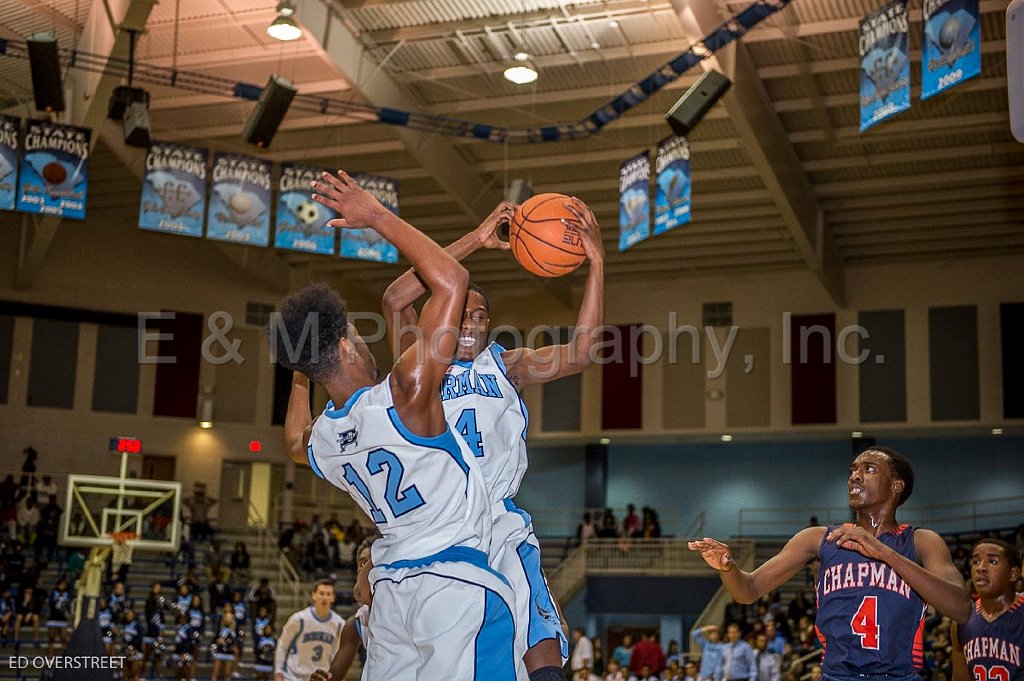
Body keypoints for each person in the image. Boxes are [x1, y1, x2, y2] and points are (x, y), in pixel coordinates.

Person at [280, 169, 522, 680]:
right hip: (454, 585)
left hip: (390, 596)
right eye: (358, 337)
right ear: (346, 348)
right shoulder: (404, 393)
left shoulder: (324, 440)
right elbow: (451, 281)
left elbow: (292, 442)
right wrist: (375, 217)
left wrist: (301, 371)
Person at [381, 196, 603, 681]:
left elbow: (584, 352)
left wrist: (597, 263)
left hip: (497, 515)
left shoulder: (507, 365)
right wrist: (476, 241)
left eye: (481, 316)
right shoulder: (420, 359)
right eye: (462, 312)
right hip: (436, 521)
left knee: (539, 632)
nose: (472, 324)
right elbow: (396, 299)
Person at [689, 447, 971, 681]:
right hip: (837, 675)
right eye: (852, 470)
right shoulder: (818, 539)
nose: (855, 477)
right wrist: (729, 568)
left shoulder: (922, 542)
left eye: (868, 469)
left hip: (898, 675)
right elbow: (747, 590)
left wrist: (884, 553)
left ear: (897, 486)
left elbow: (961, 608)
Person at [950, 539, 1023, 681]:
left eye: (992, 562)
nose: (980, 568)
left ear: (1013, 573)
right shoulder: (961, 620)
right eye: (976, 562)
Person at [274, 580, 344, 681]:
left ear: (333, 598)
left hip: (320, 677)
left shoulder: (339, 624)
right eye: (321, 593)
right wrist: (278, 671)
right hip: (294, 676)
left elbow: (338, 655)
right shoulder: (299, 619)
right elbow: (283, 645)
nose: (324, 597)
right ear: (314, 595)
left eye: (328, 594)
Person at [46, 577, 72, 653]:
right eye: (62, 584)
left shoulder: (67, 594)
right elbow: (51, 604)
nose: (63, 586)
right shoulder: (53, 593)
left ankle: (65, 654)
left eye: (65, 585)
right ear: (58, 585)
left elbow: (68, 606)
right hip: (53, 617)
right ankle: (50, 655)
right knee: (51, 637)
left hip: (62, 618)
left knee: (64, 638)